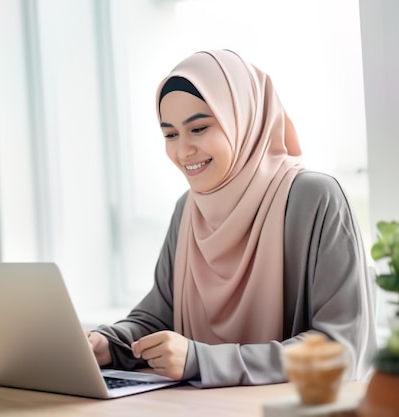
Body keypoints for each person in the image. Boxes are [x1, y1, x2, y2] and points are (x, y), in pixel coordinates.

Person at [87, 49, 377, 388]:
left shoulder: (314, 199)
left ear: (243, 121)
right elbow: (157, 317)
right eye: (170, 134)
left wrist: (202, 360)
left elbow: (338, 349)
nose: (183, 151)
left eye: (198, 128)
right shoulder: (188, 210)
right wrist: (110, 344)